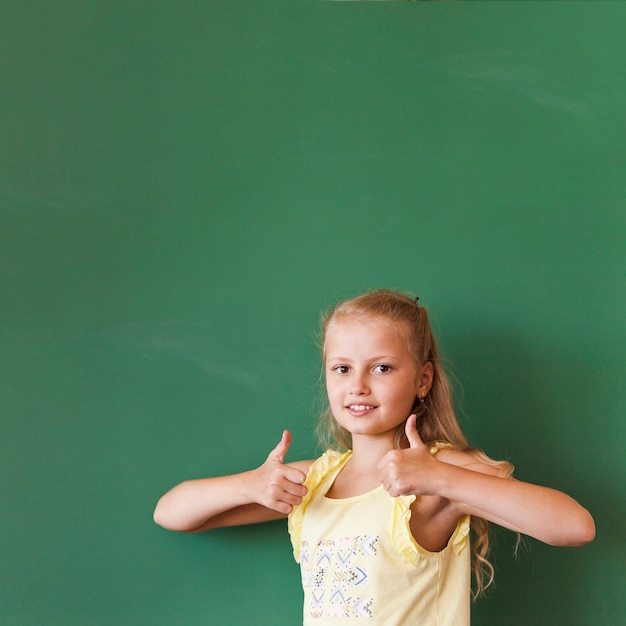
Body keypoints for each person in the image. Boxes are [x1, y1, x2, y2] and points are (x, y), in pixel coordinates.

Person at [154, 289, 595, 625]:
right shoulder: (314, 481)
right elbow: (171, 512)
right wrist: (248, 485)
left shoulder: (441, 475)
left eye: (382, 367)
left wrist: (441, 479)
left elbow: (575, 526)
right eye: (342, 368)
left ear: (423, 380)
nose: (358, 385)